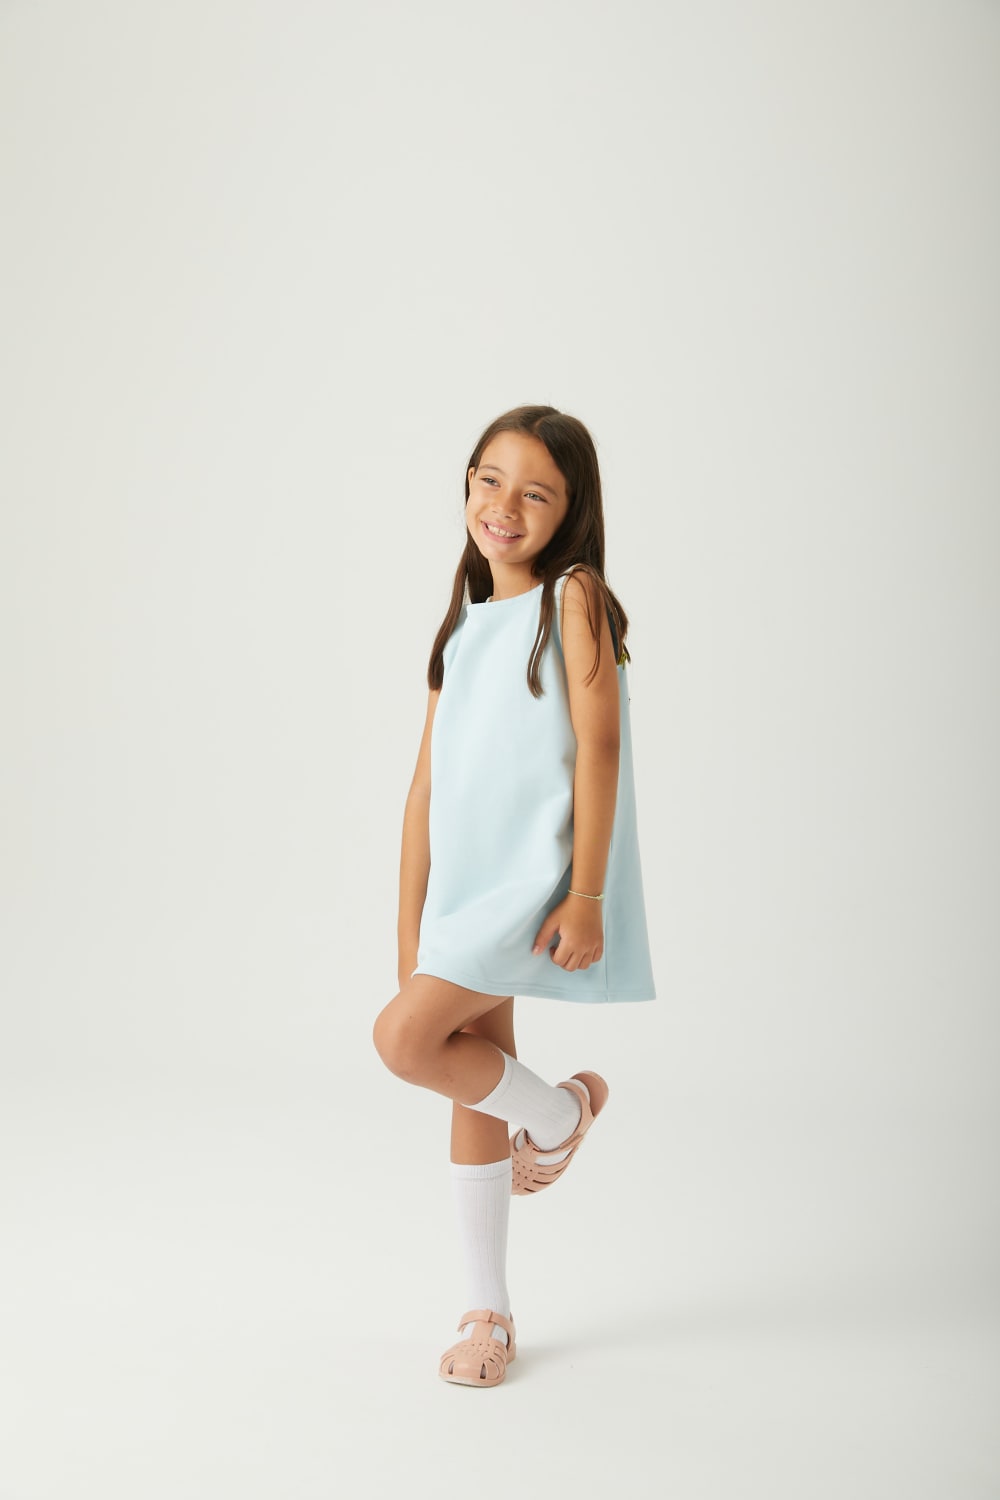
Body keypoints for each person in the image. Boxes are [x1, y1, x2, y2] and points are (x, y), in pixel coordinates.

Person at [373, 404, 655, 1387]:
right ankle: (486, 1313)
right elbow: (423, 792)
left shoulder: (574, 598)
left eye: (536, 492)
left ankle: (562, 1119)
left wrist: (587, 894)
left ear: (571, 512)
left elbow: (601, 746)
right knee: (470, 1076)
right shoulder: (461, 627)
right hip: (464, 893)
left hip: (532, 887)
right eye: (489, 479)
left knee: (404, 1043)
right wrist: (410, 934)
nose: (505, 504)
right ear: (466, 482)